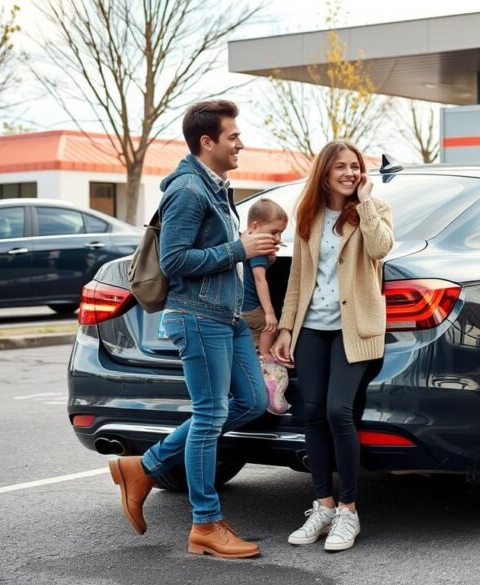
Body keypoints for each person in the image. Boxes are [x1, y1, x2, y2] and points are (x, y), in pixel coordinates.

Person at [107, 100, 276, 559]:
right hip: (197, 317)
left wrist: (249, 252)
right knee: (209, 416)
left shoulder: (216, 187)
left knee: (253, 401)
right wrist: (239, 249)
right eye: (233, 135)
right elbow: (175, 261)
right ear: (208, 141)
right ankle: (205, 524)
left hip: (227, 317)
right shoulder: (188, 189)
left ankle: (144, 466)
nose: (241, 142)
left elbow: (215, 251)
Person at [271, 140, 394, 552]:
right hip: (312, 329)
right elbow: (298, 279)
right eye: (340, 167)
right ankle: (321, 505)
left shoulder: (372, 211)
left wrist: (366, 202)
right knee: (312, 413)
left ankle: (348, 510)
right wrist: (287, 328)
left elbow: (381, 249)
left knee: (338, 411)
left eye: (355, 166)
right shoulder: (307, 215)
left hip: (354, 329)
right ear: (324, 172)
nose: (349, 173)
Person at [241, 198, 288, 359]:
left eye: (281, 233)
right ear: (255, 227)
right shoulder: (259, 247)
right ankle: (265, 356)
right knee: (270, 327)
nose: (278, 238)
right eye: (274, 232)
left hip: (237, 306)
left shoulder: (243, 240)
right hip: (250, 307)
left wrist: (269, 262)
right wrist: (269, 313)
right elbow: (260, 279)